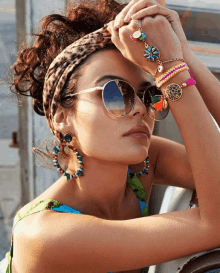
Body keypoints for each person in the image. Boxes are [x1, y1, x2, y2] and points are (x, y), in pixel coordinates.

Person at [1, 0, 220, 272]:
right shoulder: (45, 235)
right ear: (61, 116)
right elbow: (215, 224)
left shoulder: (142, 165)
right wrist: (170, 68)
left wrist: (183, 53)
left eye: (147, 93)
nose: (140, 108)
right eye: (115, 93)